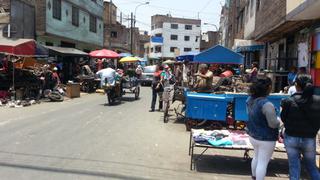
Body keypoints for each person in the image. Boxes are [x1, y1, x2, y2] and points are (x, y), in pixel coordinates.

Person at [281, 74, 320, 180]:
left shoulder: (289, 101)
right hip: (309, 139)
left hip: (291, 137)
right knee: (312, 167)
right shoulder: (318, 101)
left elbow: (283, 118)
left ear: (296, 85)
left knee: (294, 167)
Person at [246, 77, 280, 180]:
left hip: (253, 135)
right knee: (263, 162)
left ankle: (254, 177)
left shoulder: (250, 100)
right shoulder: (267, 104)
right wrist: (280, 121)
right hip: (266, 138)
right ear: (269, 87)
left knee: (256, 157)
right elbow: (273, 124)